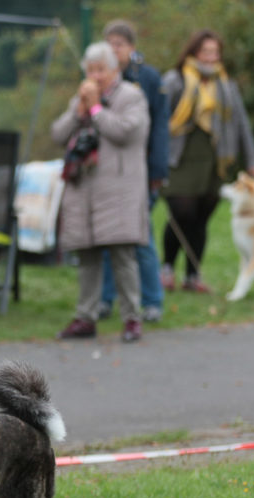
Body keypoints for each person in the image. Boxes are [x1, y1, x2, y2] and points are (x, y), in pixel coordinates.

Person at [51, 42, 150, 343]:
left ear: (114, 70)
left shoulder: (132, 97)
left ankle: (132, 318)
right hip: (85, 190)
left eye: (101, 70)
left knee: (123, 255)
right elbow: (58, 134)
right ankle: (85, 318)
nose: (95, 76)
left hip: (118, 190)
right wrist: (78, 111)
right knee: (87, 255)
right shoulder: (81, 99)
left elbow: (124, 131)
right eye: (90, 70)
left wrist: (95, 110)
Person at [160, 28, 254, 293]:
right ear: (193, 52)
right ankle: (167, 268)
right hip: (180, 158)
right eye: (206, 51)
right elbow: (158, 118)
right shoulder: (175, 80)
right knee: (182, 213)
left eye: (215, 52)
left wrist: (252, 160)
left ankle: (193, 276)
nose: (211, 57)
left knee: (201, 217)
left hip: (214, 160)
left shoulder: (225, 84)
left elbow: (241, 124)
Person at [97, 20, 168, 323]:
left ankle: (152, 301)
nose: (115, 50)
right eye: (110, 43)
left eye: (120, 44)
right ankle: (105, 299)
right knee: (106, 240)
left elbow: (159, 129)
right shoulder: (98, 77)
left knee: (141, 240)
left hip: (139, 173)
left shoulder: (148, 79)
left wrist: (158, 169)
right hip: (105, 174)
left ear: (132, 47)